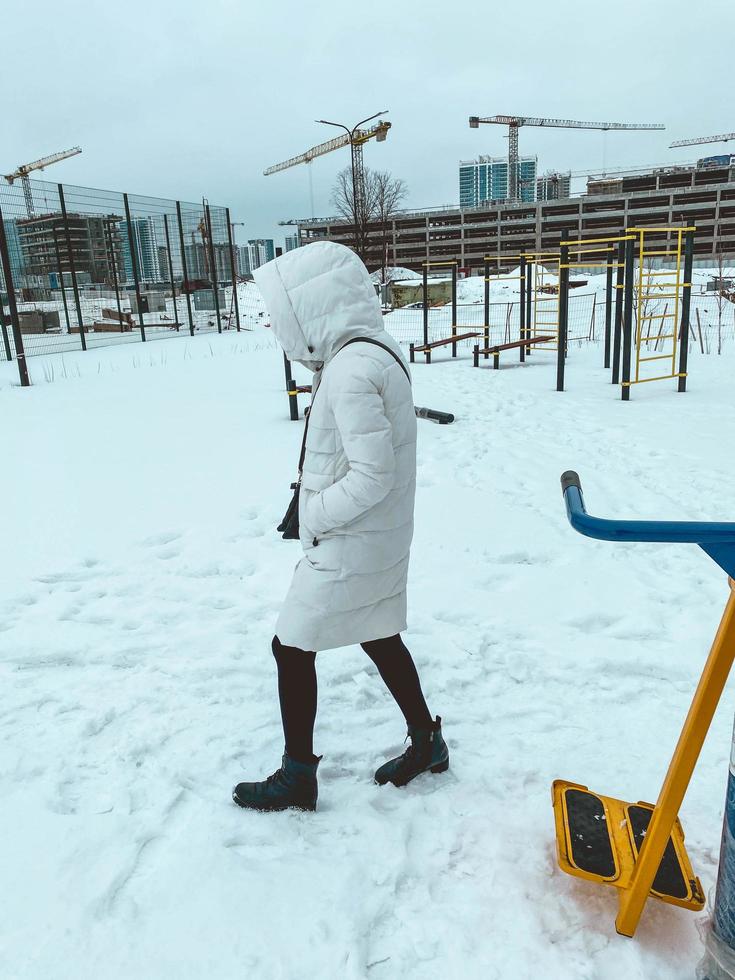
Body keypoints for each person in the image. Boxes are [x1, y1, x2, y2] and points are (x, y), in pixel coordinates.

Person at [232, 241, 448, 812]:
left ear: (313, 306)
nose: (281, 328)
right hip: (373, 537)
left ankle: (298, 775)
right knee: (377, 630)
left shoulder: (352, 369)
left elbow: (374, 474)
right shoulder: (368, 353)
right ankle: (427, 740)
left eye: (284, 314)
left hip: (352, 540)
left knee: (291, 646)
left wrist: (314, 514)